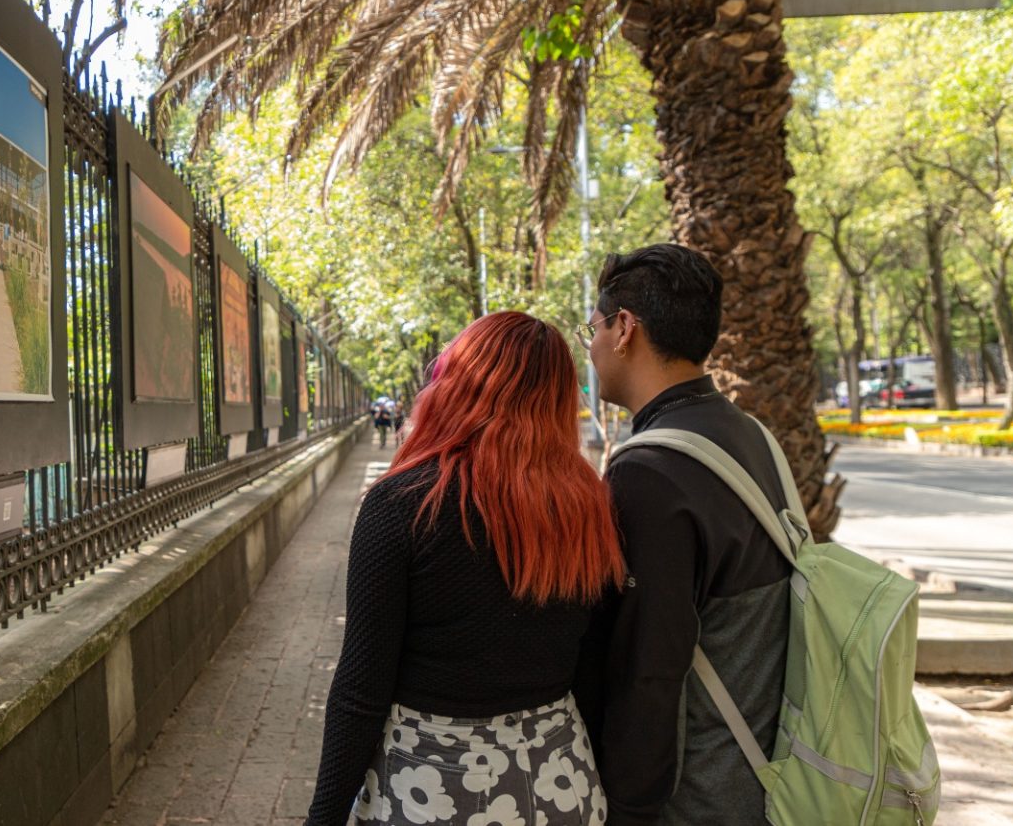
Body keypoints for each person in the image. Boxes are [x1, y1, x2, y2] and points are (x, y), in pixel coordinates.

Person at [306, 311, 625, 826]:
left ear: (456, 384)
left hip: (431, 785)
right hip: (560, 781)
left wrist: (322, 816)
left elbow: (362, 690)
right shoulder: (588, 504)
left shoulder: (403, 504)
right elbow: (591, 666)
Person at [577, 243, 794, 825]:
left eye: (593, 329)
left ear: (624, 329)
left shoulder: (651, 470)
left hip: (694, 798)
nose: (591, 347)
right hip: (762, 778)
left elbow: (648, 668)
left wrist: (627, 811)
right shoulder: (751, 436)